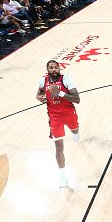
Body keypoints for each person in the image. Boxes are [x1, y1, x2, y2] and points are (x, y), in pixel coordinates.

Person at [36, 60, 81, 188]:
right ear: (47, 70)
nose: (54, 70)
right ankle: (63, 177)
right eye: (51, 68)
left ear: (59, 69)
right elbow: (38, 94)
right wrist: (39, 98)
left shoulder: (66, 79)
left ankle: (76, 132)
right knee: (59, 148)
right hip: (54, 117)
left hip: (68, 112)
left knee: (74, 129)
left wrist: (59, 92)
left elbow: (77, 99)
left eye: (56, 67)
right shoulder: (42, 81)